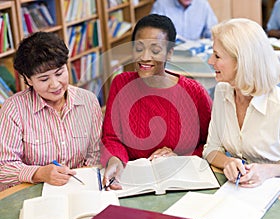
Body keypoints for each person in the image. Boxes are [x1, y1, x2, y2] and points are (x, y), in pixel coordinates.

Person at [101, 14, 212, 189]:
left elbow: (212, 143)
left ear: (170, 53)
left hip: (181, 182)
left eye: (155, 50)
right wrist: (115, 159)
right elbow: (112, 137)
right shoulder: (120, 84)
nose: (144, 57)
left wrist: (181, 158)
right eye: (138, 48)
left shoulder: (194, 92)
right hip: (133, 185)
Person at [203, 18, 280, 200]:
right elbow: (211, 149)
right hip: (241, 193)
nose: (210, 61)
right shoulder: (223, 92)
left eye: (217, 56)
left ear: (241, 62)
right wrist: (228, 162)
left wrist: (267, 171)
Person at [0, 32, 102, 191]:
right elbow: (4, 167)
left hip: (80, 187)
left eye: (59, 73)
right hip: (35, 192)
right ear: (28, 79)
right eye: (44, 79)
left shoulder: (88, 101)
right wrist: (39, 173)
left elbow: (95, 154)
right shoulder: (14, 109)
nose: (55, 85)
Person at [151, 0, 218, 40]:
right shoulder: (161, 4)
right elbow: (152, 32)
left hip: (194, 55)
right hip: (169, 54)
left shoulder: (203, 4)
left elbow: (213, 32)